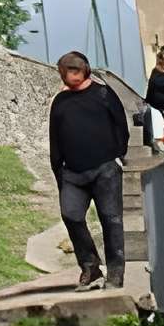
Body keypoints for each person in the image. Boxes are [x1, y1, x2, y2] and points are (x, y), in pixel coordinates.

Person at [47, 50, 130, 288]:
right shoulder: (60, 102)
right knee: (70, 214)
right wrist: (59, 173)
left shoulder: (103, 94)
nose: (68, 75)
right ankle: (90, 267)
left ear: (84, 70)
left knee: (111, 219)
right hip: (72, 173)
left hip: (105, 169)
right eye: (65, 71)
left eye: (73, 70)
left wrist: (117, 156)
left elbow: (121, 127)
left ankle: (116, 272)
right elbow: (55, 139)